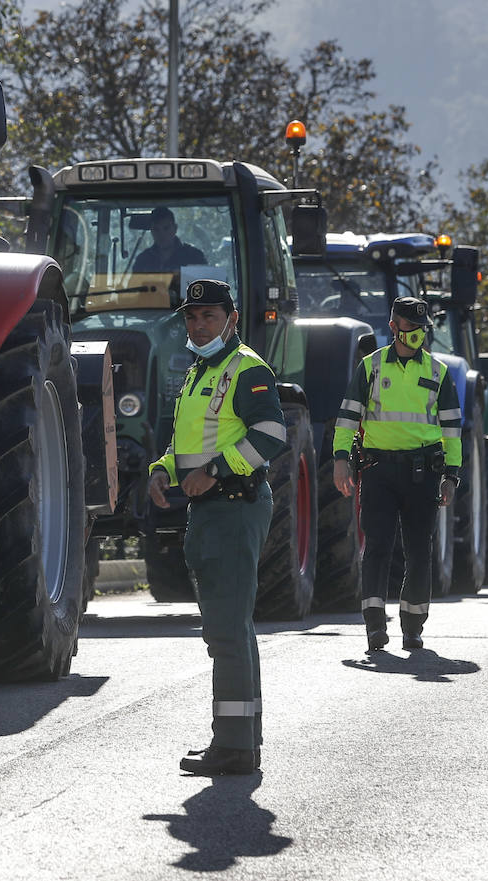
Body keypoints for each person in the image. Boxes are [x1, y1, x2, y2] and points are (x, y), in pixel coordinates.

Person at [147, 279, 288, 776]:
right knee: (228, 630)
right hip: (210, 511)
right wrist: (163, 470)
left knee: (227, 631)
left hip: (233, 506)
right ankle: (240, 740)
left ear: (231, 318)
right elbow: (187, 446)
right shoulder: (198, 372)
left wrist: (217, 472)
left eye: (208, 316)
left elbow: (271, 435)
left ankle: (233, 746)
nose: (198, 325)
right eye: (191, 317)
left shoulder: (246, 368)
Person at [331, 296, 462, 652]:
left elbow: (452, 429)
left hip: (423, 474)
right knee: (377, 548)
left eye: (421, 329)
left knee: (420, 551)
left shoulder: (438, 372)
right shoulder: (371, 367)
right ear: (393, 327)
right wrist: (341, 459)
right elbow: (347, 418)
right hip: (378, 471)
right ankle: (375, 625)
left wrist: (452, 474)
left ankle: (413, 626)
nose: (416, 334)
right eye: (410, 328)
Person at [133, 207, 206, 273]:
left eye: (166, 228)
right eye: (156, 229)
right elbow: (135, 287)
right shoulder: (143, 260)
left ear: (175, 228)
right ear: (151, 231)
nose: (161, 234)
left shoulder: (194, 256)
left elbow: (205, 285)